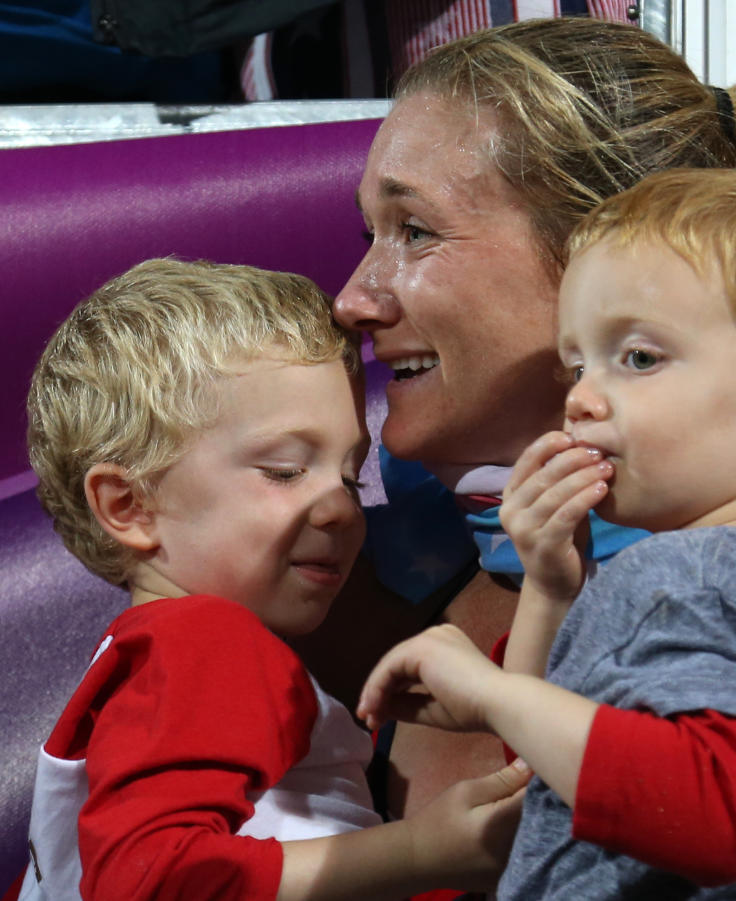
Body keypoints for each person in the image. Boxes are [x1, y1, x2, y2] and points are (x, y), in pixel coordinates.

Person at [310, 16, 736, 900]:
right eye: (366, 237)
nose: (352, 299)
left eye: (414, 231)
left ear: (599, 242)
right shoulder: (397, 596)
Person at [18, 258, 527, 901]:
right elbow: (148, 884)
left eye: (350, 475)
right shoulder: (211, 641)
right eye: (285, 470)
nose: (342, 506)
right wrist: (426, 853)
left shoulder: (145, 661)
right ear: (130, 506)